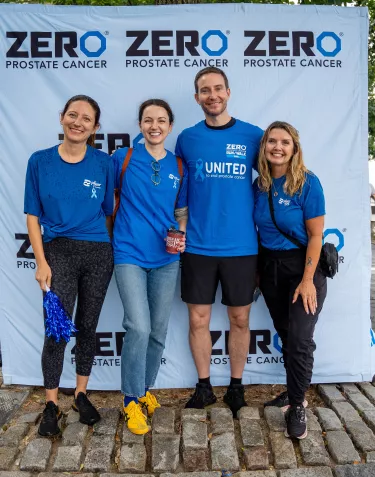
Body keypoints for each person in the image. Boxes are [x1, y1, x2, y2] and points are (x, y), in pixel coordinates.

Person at [175, 67, 263, 417]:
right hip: (197, 246)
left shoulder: (253, 136)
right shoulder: (187, 138)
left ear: (228, 92)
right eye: (204, 90)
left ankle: (237, 386)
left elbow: (276, 177)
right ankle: (204, 386)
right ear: (197, 98)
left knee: (240, 320)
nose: (211, 95)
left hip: (242, 247)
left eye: (217, 89)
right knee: (198, 320)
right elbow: (180, 189)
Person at [24, 95, 114, 437]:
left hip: (97, 254)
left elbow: (107, 212)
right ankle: (50, 403)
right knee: (57, 330)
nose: (78, 122)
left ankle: (80, 393)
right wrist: (41, 262)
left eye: (86, 118)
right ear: (62, 118)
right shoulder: (40, 161)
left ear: (95, 127)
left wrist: (99, 250)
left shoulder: (104, 163)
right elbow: (33, 217)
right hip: (57, 252)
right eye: (72, 115)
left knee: (87, 326)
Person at [113, 99, 187, 435]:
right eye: (147, 120)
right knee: (138, 327)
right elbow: (109, 202)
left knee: (157, 332)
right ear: (140, 124)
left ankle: (144, 392)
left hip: (167, 259)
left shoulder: (179, 166)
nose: (154, 126)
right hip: (128, 252)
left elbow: (181, 212)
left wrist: (180, 235)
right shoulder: (123, 158)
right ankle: (129, 400)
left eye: (160, 120)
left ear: (170, 126)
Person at [254, 121, 327, 440]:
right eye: (272, 141)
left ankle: (297, 404)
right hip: (270, 268)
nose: (278, 147)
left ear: (295, 148)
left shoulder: (307, 183)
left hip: (303, 268)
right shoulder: (259, 185)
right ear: (264, 147)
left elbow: (316, 235)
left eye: (285, 142)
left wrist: (308, 280)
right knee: (286, 333)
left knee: (299, 339)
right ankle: (295, 390)